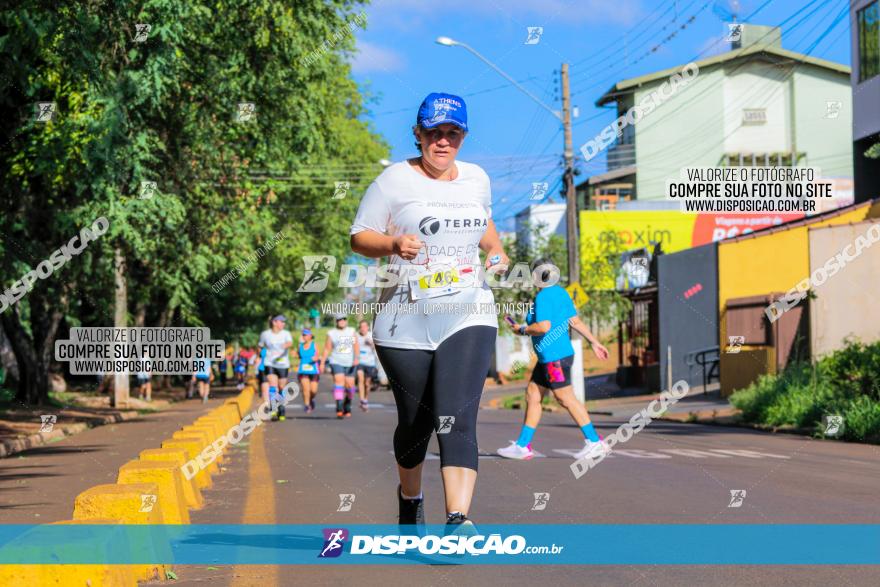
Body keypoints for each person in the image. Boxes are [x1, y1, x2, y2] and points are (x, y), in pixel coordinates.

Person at [350, 92, 509, 532]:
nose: (443, 141)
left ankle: (458, 519)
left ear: (463, 136)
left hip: (468, 309)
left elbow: (489, 236)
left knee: (456, 414)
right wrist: (393, 244)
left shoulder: (476, 179)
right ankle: (410, 497)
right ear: (418, 135)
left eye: (452, 133)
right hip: (405, 317)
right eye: (433, 133)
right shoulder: (393, 181)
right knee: (416, 423)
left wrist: (497, 258)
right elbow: (359, 237)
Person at [497, 257, 611, 461]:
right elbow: (574, 321)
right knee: (533, 394)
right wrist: (594, 342)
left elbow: (543, 327)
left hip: (554, 359)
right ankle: (522, 445)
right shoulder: (560, 292)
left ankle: (595, 442)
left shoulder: (543, 297)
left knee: (565, 398)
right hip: (551, 357)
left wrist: (521, 329)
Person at [319, 314, 359, 419]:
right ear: (336, 321)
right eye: (339, 319)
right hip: (336, 361)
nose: (342, 321)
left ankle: (347, 403)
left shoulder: (351, 331)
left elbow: (356, 346)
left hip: (350, 362)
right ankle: (339, 407)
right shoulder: (331, 333)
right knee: (339, 382)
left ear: (346, 321)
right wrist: (322, 362)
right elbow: (327, 348)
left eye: (344, 319)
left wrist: (356, 358)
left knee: (350, 386)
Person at [258, 315, 294, 421]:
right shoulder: (265, 334)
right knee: (273, 386)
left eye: (284, 322)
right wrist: (261, 353)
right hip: (270, 363)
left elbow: (290, 342)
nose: (283, 324)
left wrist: (284, 346)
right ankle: (274, 409)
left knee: (281, 387)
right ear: (274, 322)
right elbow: (260, 345)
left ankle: (281, 408)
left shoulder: (286, 334)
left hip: (283, 364)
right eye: (281, 322)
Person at [356, 320, 378, 411]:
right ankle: (362, 400)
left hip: (370, 362)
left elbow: (377, 348)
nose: (363, 329)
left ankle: (365, 399)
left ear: (368, 327)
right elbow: (344, 347)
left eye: (365, 326)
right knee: (360, 379)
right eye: (361, 327)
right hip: (359, 362)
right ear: (359, 328)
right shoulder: (356, 336)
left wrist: (372, 344)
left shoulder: (371, 336)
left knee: (367, 383)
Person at [297, 328, 320, 413]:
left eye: (306, 335)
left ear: (310, 336)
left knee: (313, 391)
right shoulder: (300, 346)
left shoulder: (314, 345)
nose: (304, 336)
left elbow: (318, 356)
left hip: (313, 370)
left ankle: (311, 400)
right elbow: (298, 355)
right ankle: (307, 405)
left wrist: (316, 358)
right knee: (305, 389)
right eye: (303, 335)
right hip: (303, 371)